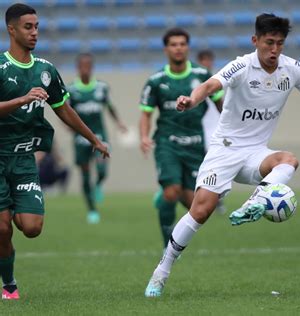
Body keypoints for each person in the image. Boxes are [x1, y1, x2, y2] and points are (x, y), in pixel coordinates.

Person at [144, 13, 300, 297]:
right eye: (269, 43)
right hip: (225, 150)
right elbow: (209, 86)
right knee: (201, 211)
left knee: (289, 160)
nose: (274, 50)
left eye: (280, 44)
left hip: (256, 154)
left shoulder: (292, 69)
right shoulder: (241, 66)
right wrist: (191, 100)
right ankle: (161, 272)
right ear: (255, 41)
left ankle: (257, 199)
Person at [0, 3, 109, 300]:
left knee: (31, 227)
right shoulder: (0, 67)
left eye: (36, 27)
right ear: (11, 29)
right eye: (28, 27)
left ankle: (11, 214)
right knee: (2, 230)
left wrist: (93, 139)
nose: (34, 32)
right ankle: (9, 284)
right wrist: (22, 100)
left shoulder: (46, 70)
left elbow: (64, 109)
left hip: (23, 160)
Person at [139, 28, 223, 253]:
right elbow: (146, 114)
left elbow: (220, 103)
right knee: (172, 191)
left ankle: (166, 195)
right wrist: (144, 137)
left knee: (198, 206)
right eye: (174, 44)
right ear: (166, 49)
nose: (178, 48)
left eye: (182, 44)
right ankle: (168, 244)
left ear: (188, 47)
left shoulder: (202, 74)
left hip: (195, 145)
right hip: (168, 143)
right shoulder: (156, 81)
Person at [68, 53, 127, 224]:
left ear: (92, 68)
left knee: (102, 170)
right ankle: (92, 210)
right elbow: (65, 111)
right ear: (78, 68)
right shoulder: (71, 89)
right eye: (82, 66)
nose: (85, 69)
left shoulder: (101, 87)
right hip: (80, 137)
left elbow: (109, 107)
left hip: (99, 135)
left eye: (88, 66)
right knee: (85, 175)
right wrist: (68, 126)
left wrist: (119, 123)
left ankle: (99, 184)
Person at [197, 49, 227, 214]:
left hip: (215, 131)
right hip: (199, 130)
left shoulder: (217, 82)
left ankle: (218, 200)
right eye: (204, 60)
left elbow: (221, 106)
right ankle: (203, 199)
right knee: (200, 167)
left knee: (215, 168)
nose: (207, 64)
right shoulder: (195, 83)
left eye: (209, 60)